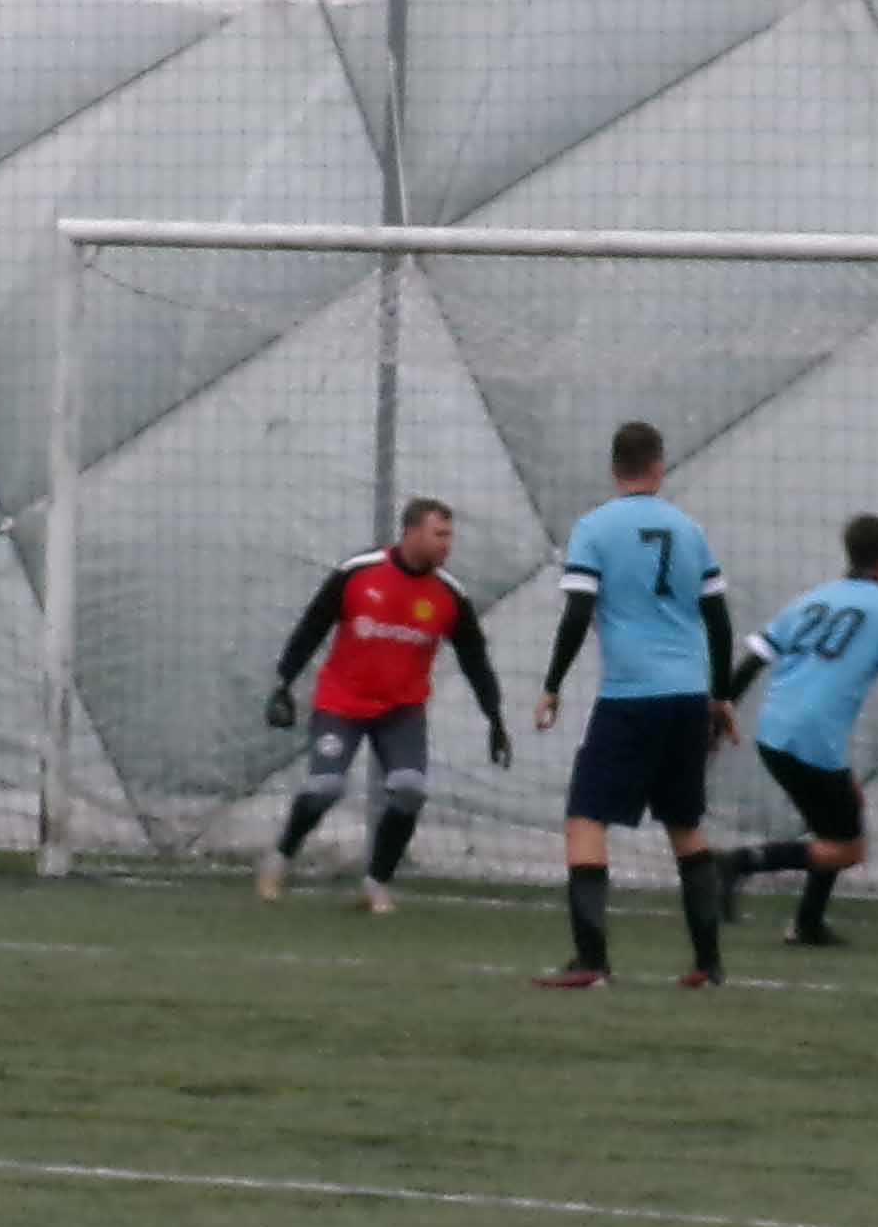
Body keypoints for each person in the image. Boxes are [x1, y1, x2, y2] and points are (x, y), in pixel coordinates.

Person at [529, 419, 734, 989]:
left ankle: (591, 961)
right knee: (685, 825)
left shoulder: (594, 528)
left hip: (631, 697)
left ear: (613, 468)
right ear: (659, 466)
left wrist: (552, 684)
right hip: (688, 697)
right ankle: (708, 963)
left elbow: (577, 612)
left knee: (585, 818)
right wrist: (721, 696)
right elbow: (719, 621)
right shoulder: (690, 530)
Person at [258, 495, 510, 914]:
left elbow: (475, 660)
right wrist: (283, 682)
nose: (447, 544)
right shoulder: (359, 573)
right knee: (324, 789)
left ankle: (375, 885)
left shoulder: (449, 595)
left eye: (450, 536)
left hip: (401, 712)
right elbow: (313, 625)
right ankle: (281, 857)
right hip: (341, 704)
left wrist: (494, 717)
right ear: (411, 532)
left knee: (409, 792)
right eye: (439, 534)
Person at [713, 512, 878, 949]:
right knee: (848, 849)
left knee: (841, 816)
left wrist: (722, 711)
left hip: (775, 732)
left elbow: (752, 660)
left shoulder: (814, 598)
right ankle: (738, 863)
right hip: (812, 739)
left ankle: (807, 923)